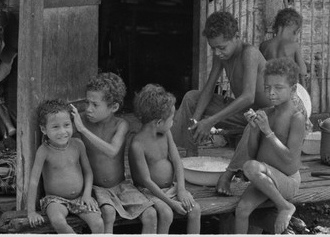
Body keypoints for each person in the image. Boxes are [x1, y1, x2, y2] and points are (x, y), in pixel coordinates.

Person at [171, 11, 272, 196]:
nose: (217, 52)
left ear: (236, 37)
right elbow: (209, 88)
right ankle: (188, 157)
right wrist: (196, 120)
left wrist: (209, 122)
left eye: (222, 47)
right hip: (244, 112)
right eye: (213, 48)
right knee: (192, 97)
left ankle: (229, 173)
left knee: (254, 121)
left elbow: (249, 97)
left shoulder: (250, 53)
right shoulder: (222, 55)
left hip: (267, 116)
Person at [70, 72, 156, 234]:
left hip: (120, 185)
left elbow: (112, 151)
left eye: (95, 105)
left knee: (150, 214)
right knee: (108, 213)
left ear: (114, 107)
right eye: (87, 102)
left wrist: (82, 130)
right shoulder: (80, 120)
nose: (88, 109)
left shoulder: (121, 124)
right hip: (95, 187)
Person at [234, 58, 305, 234]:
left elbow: (291, 160)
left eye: (278, 88)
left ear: (293, 89)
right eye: (267, 87)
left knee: (250, 167)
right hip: (264, 178)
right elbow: (252, 154)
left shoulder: (297, 118)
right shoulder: (266, 113)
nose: (271, 93)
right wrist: (254, 130)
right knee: (241, 210)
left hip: (287, 180)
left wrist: (268, 132)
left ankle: (285, 206)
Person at [129, 84, 201, 234]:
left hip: (172, 188)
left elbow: (177, 162)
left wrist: (181, 189)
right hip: (148, 192)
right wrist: (172, 203)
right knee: (167, 214)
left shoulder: (166, 134)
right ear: (158, 122)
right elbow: (147, 181)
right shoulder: (138, 145)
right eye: (172, 118)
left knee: (195, 210)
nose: (173, 122)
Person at [27, 99, 104, 234]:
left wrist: (87, 195)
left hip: (80, 197)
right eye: (55, 127)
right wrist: (31, 212)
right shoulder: (44, 151)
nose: (62, 131)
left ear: (72, 125)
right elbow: (34, 181)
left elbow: (88, 173)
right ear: (44, 129)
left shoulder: (78, 144)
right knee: (58, 221)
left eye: (66, 125)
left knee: (98, 223)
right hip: (55, 200)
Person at [259, 8, 308, 85]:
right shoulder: (294, 46)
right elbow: (302, 72)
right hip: (287, 88)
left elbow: (261, 70)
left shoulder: (264, 45)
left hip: (270, 87)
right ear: (297, 31)